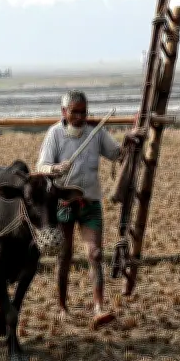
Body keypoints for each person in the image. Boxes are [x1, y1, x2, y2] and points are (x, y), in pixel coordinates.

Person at [36, 89, 140, 328]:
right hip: (63, 203)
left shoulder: (96, 132)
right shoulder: (55, 135)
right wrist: (54, 169)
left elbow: (117, 155)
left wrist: (129, 139)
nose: (80, 117)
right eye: (75, 113)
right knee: (64, 255)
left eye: (84, 112)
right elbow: (41, 166)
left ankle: (99, 307)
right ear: (64, 112)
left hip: (90, 202)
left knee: (94, 253)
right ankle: (62, 307)